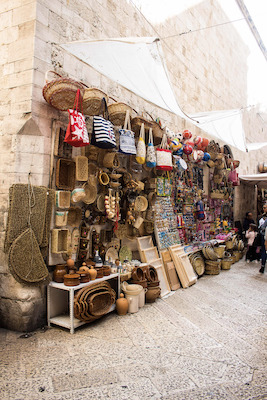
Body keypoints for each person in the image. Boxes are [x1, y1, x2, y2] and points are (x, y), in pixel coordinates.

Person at [258, 203, 267, 273]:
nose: (264, 209)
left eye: (265, 208)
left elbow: (263, 227)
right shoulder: (264, 216)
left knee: (264, 250)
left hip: (265, 236)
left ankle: (263, 266)